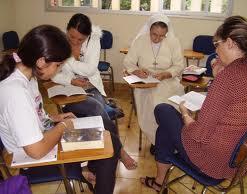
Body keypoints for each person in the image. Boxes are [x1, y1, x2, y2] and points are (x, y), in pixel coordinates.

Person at [140, 15, 247, 192]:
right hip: (237, 162)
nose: (216, 51)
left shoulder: (229, 78)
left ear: (230, 43)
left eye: (216, 44)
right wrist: (219, 77)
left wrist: (185, 113)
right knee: (164, 128)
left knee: (163, 110)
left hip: (212, 162)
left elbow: (199, 134)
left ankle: (159, 181)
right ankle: (159, 182)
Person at [0, 25, 119, 194]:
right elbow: (36, 151)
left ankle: (89, 171)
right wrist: (63, 127)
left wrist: (54, 119)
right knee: (109, 145)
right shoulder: (15, 92)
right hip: (31, 161)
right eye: (57, 65)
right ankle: (92, 173)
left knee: (107, 137)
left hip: (41, 141)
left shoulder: (28, 76)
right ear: (41, 61)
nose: (59, 70)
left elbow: (33, 117)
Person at [51, 13, 137, 172]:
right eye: (72, 37)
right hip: (68, 91)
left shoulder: (94, 39)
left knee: (98, 110)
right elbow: (53, 73)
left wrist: (67, 60)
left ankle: (99, 160)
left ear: (88, 35)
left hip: (91, 86)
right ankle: (120, 151)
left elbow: (90, 69)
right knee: (97, 110)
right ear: (67, 30)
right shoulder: (59, 41)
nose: (75, 41)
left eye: (80, 39)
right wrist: (71, 80)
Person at [123, 14, 185, 151]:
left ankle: (171, 139)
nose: (157, 39)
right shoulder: (140, 40)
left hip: (168, 81)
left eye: (162, 36)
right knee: (152, 104)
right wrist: (136, 71)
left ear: (167, 34)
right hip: (145, 82)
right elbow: (128, 62)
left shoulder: (173, 42)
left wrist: (166, 74)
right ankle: (156, 141)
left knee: (168, 106)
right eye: (154, 35)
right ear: (148, 30)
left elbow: (179, 65)